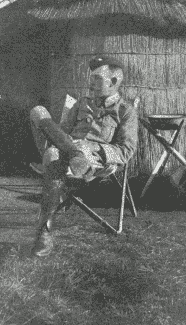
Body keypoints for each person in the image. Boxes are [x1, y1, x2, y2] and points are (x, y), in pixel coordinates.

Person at [29, 56, 138, 257]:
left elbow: (126, 150)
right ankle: (74, 154)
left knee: (53, 157)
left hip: (94, 159)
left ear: (113, 82)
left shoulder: (125, 111)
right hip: (68, 150)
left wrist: (93, 148)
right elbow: (62, 132)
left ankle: (44, 232)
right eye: (91, 78)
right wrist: (70, 145)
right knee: (38, 111)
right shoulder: (81, 104)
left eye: (96, 79)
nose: (90, 83)